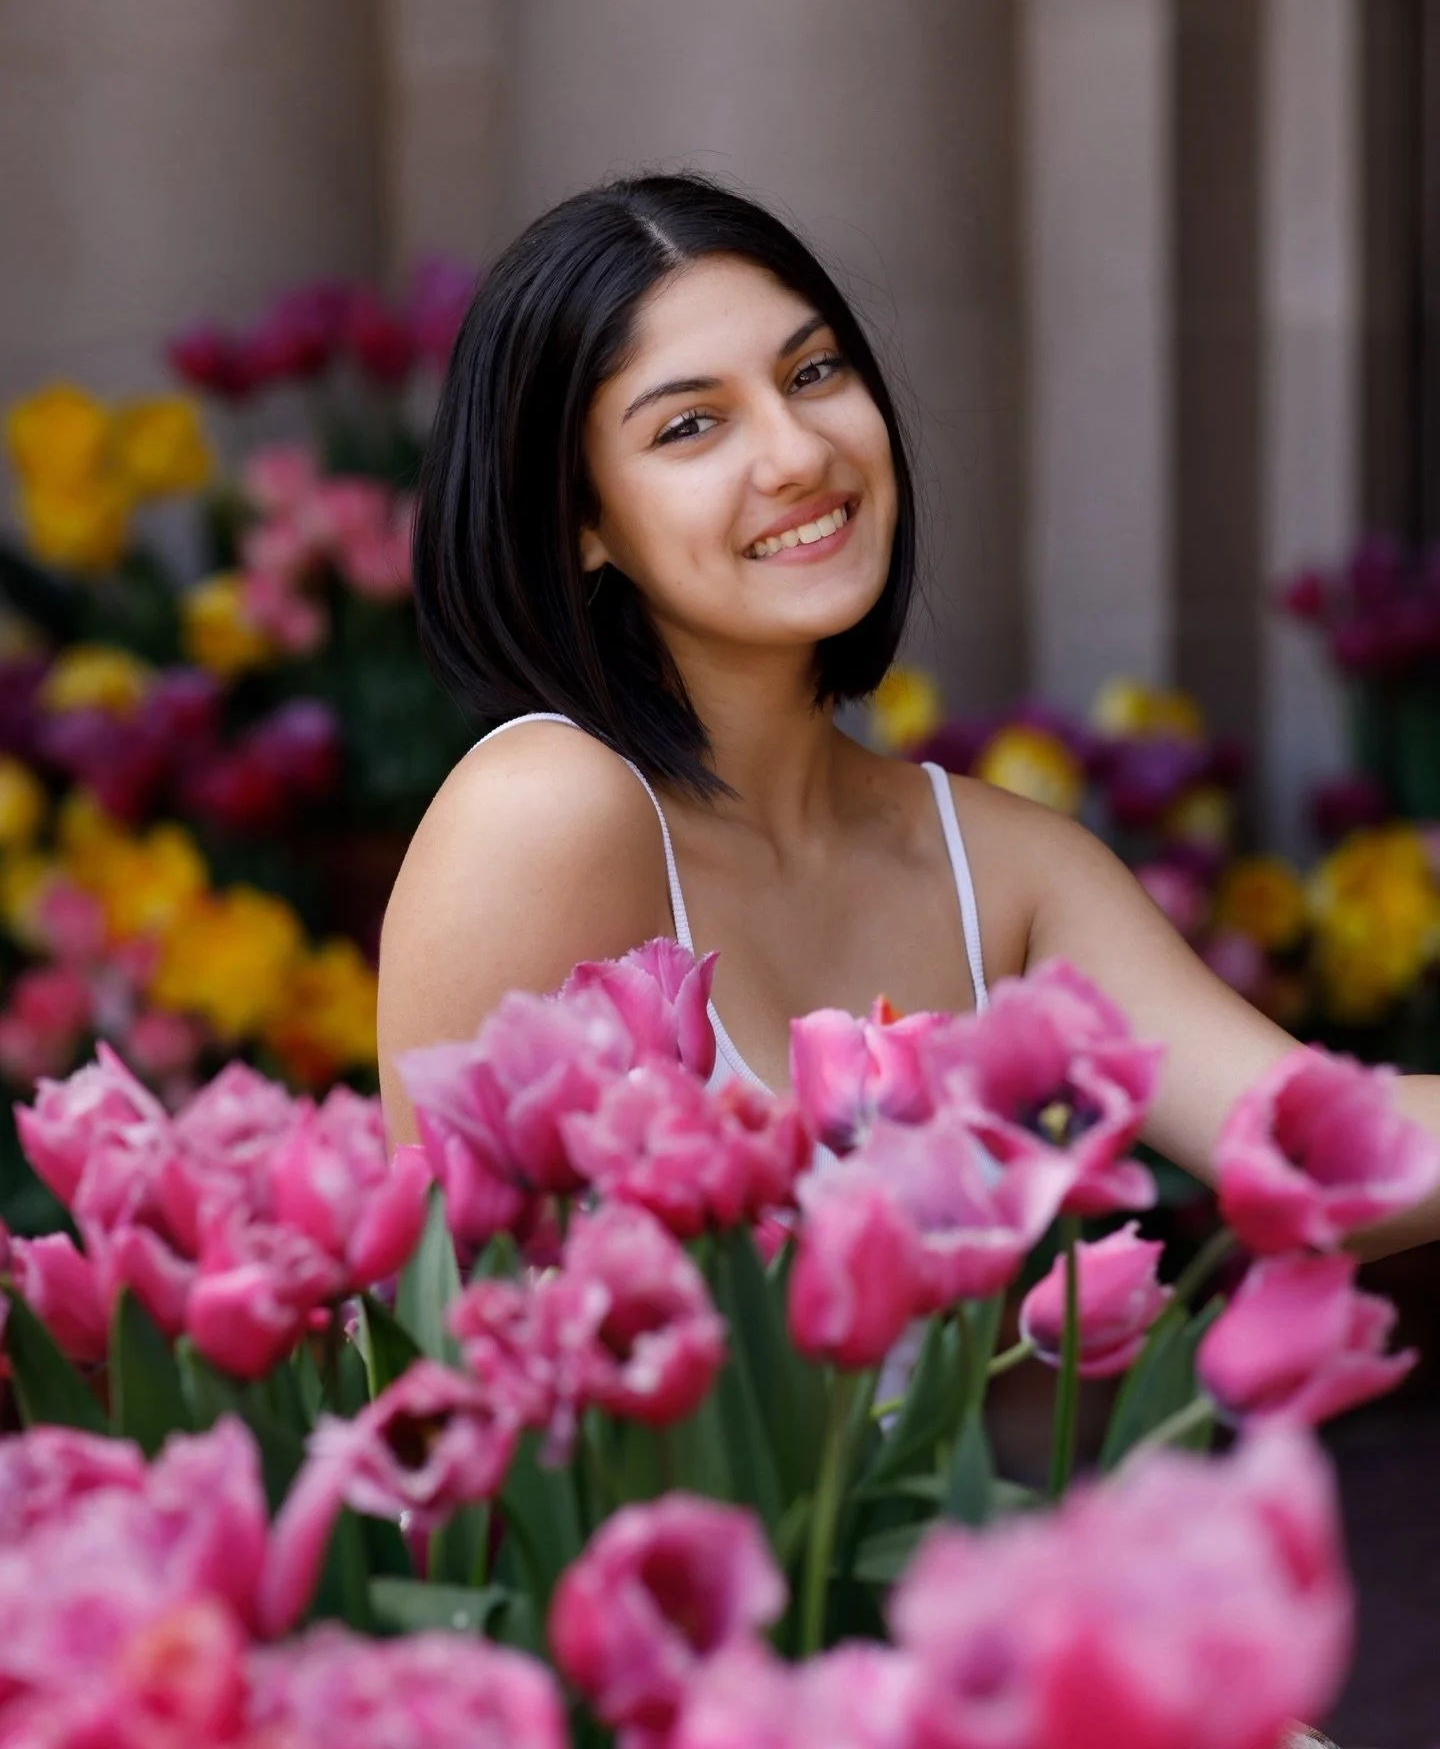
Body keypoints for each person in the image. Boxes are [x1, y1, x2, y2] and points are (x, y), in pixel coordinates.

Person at [378, 171, 1440, 1257]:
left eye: (815, 371)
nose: (797, 454)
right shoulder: (545, 815)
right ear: (578, 524)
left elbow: (1316, 1147)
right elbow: (457, 1352)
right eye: (692, 425)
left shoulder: (1008, 874)